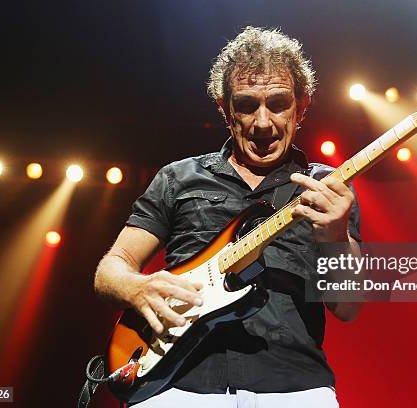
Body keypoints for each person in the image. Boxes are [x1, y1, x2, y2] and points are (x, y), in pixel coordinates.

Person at [94, 26, 361, 407]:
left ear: (303, 105)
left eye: (279, 103)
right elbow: (111, 269)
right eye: (247, 105)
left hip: (296, 390)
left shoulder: (328, 189)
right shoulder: (179, 177)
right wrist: (137, 289)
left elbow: (348, 307)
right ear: (224, 107)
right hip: (176, 389)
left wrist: (334, 234)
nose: (263, 122)